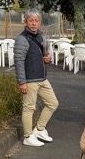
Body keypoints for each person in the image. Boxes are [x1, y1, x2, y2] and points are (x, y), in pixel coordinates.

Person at [14, 9, 59, 147]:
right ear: (25, 22)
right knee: (29, 108)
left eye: (36, 21)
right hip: (30, 80)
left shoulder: (40, 37)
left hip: (42, 77)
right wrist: (22, 82)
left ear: (40, 22)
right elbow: (19, 61)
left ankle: (39, 129)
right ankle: (28, 136)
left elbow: (42, 57)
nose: (34, 23)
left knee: (53, 103)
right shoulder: (22, 39)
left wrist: (48, 59)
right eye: (31, 20)